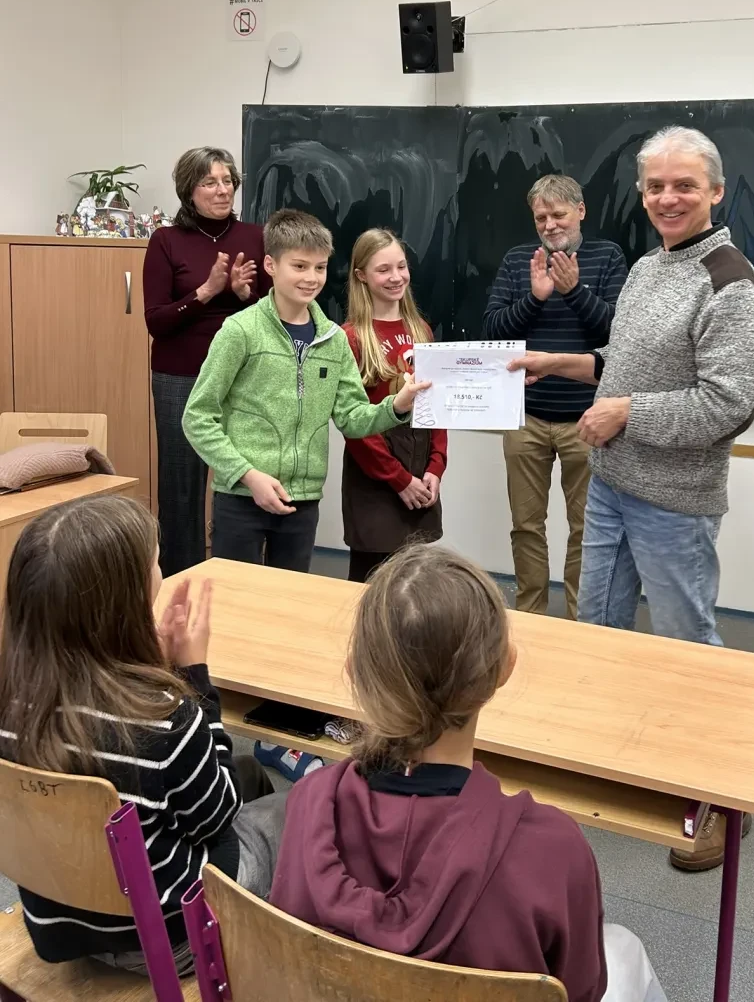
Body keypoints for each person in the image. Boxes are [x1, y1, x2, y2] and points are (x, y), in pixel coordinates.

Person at [510, 127, 754, 872]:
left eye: (683, 185)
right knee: (597, 631)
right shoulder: (652, 266)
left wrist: (626, 414)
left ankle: (718, 803)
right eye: (655, 186)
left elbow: (729, 403)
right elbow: (621, 362)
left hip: (674, 503)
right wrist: (558, 361)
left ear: (715, 191)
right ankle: (607, 763)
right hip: (612, 489)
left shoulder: (728, 281)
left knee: (688, 649)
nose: (667, 198)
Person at [269, 543, 668, 1002]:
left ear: (356, 672)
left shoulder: (308, 806)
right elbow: (582, 989)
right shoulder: (554, 851)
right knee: (626, 948)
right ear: (504, 668)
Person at [0, 495, 286, 974]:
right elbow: (218, 817)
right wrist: (193, 677)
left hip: (61, 924)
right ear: (126, 600)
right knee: (304, 807)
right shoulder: (165, 720)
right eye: (155, 562)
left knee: (247, 770)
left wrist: (148, 664)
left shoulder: (11, 704)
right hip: (170, 938)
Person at [183, 209, 430, 578]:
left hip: (302, 502)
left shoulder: (332, 339)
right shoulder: (240, 331)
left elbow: (352, 417)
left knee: (291, 602)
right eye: (299, 266)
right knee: (235, 600)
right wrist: (247, 474)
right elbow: (198, 416)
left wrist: (396, 405)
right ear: (271, 265)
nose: (311, 278)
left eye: (320, 267)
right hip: (242, 497)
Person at [483, 174, 628, 619]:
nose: (549, 225)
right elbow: (493, 330)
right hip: (524, 418)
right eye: (540, 217)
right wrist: (535, 298)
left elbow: (621, 335)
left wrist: (574, 292)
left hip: (587, 420)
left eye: (558, 214)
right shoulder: (518, 261)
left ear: (580, 211)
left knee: (587, 529)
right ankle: (529, 615)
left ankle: (581, 620)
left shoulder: (608, 257)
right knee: (526, 526)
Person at [143, 147, 270, 577]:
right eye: (210, 182)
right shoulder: (166, 241)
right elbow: (157, 321)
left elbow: (275, 311)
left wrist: (244, 295)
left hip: (244, 375)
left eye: (228, 181)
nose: (222, 190)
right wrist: (207, 291)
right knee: (181, 486)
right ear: (189, 190)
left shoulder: (256, 237)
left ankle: (240, 577)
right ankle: (181, 580)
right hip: (181, 375)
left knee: (247, 475)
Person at [341, 228, 447, 583]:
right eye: (383, 269)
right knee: (371, 583)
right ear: (361, 276)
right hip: (375, 477)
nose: (396, 277)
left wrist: (436, 467)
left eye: (401, 266)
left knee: (413, 584)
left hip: (420, 470)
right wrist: (399, 480)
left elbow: (436, 407)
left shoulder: (421, 331)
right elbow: (355, 424)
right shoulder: (352, 337)